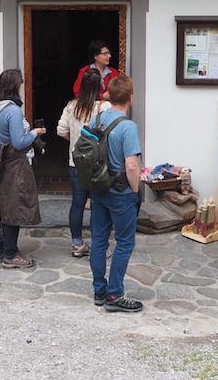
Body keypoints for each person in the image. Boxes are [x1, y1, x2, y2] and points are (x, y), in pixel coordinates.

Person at [89, 75, 143, 313]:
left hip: (99, 187)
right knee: (124, 242)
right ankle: (115, 294)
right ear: (131, 97)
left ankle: (99, 290)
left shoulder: (96, 119)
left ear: (110, 95)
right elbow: (131, 165)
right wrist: (136, 191)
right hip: (120, 191)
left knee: (99, 240)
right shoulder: (127, 126)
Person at [0, 68, 45, 269]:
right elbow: (19, 143)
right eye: (20, 82)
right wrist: (35, 133)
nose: (22, 86)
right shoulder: (12, 111)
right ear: (14, 86)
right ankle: (10, 254)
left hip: (1, 162)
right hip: (14, 164)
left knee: (1, 208)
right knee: (13, 208)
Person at [57, 68, 112, 258]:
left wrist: (75, 141)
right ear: (100, 86)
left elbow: (61, 130)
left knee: (77, 204)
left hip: (76, 162)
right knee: (98, 204)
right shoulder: (104, 108)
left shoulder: (72, 106)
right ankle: (99, 246)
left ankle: (77, 244)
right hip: (98, 164)